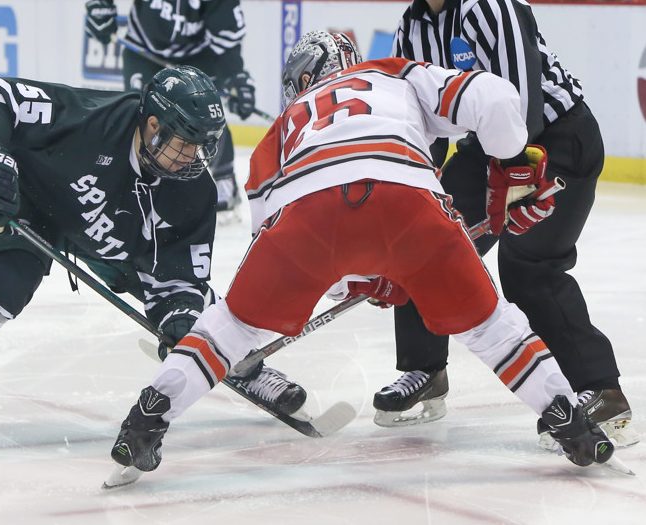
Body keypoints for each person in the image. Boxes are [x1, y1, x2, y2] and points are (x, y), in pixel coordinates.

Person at [106, 31, 615, 479]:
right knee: (491, 327)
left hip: (306, 217)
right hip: (407, 200)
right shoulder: (395, 73)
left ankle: (147, 417)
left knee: (231, 326)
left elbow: (288, 253)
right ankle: (570, 420)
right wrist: (513, 169)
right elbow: (496, 96)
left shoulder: (280, 129)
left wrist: (356, 276)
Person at [0, 65, 305, 461]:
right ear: (153, 124)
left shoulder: (192, 192)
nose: (193, 157)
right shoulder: (91, 117)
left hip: (106, 239)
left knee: (198, 314)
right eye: (185, 142)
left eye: (202, 145)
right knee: (4, 285)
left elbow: (180, 278)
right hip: (21, 202)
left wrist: (179, 315)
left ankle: (246, 365)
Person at [378, 0, 637, 449]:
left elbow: (523, 102)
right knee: (423, 236)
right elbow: (420, 121)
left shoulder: (489, 7)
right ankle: (425, 369)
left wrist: (517, 174)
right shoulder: (411, 27)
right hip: (488, 147)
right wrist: (414, 184)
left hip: (554, 141)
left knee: (528, 268)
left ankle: (603, 393)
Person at [85, 0, 257, 213]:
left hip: (196, 54)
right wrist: (101, 6)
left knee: (204, 115)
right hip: (144, 48)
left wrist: (235, 77)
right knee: (141, 116)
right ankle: (134, 181)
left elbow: (227, 34)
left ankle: (224, 181)